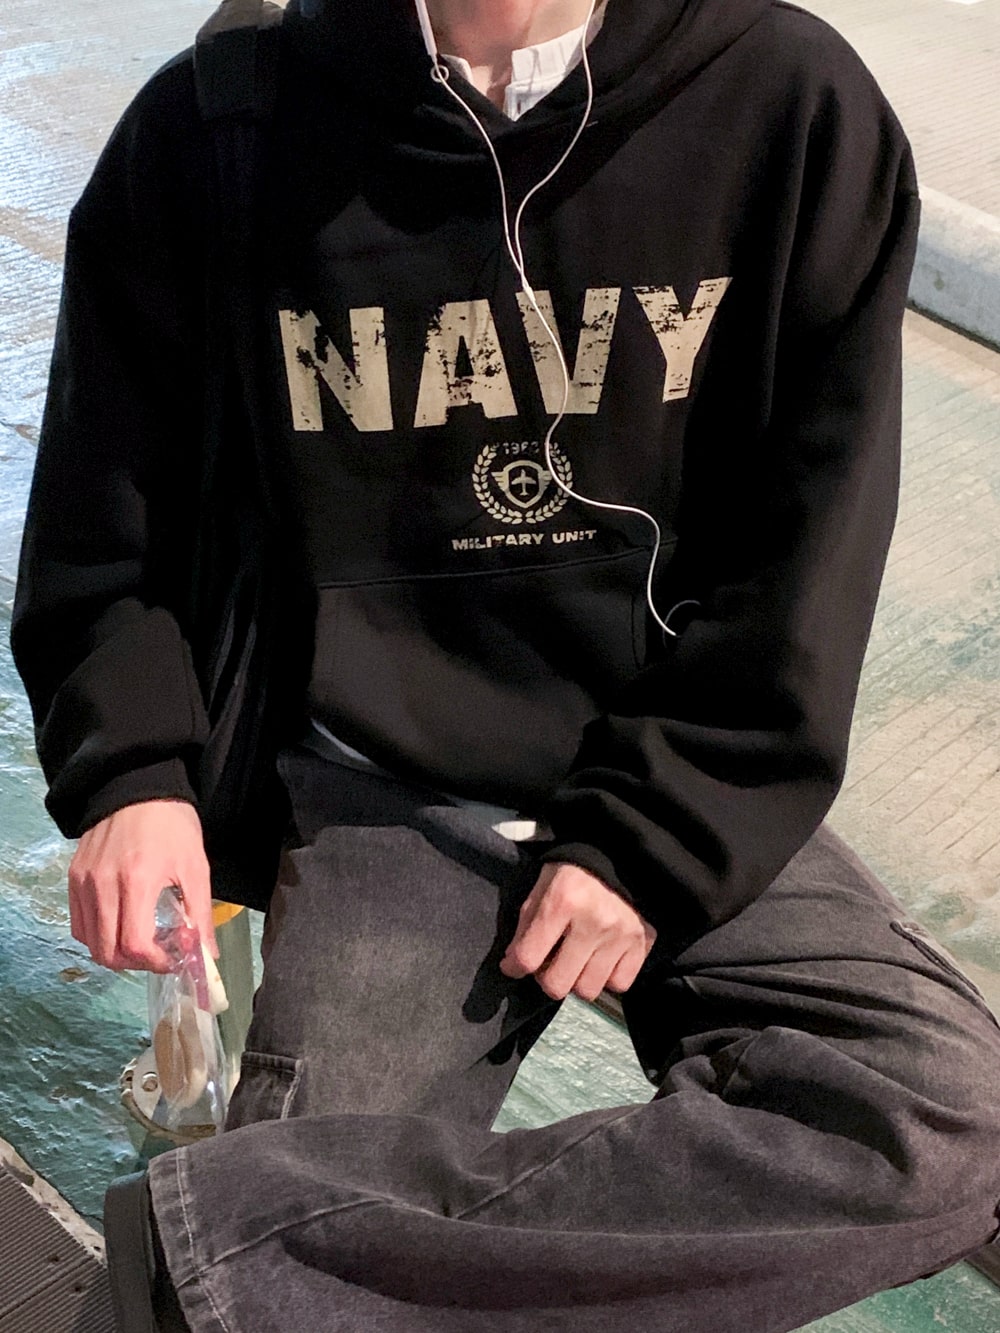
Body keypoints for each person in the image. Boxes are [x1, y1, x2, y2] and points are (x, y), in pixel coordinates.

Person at [11, 0, 1000, 1329]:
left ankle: (212, 1257)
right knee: (308, 1235)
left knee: (950, 1113)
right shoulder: (216, 128)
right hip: (380, 787)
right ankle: (243, 1258)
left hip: (676, 756)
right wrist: (134, 773)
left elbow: (811, 548)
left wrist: (652, 840)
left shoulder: (790, 106)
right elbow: (100, 512)